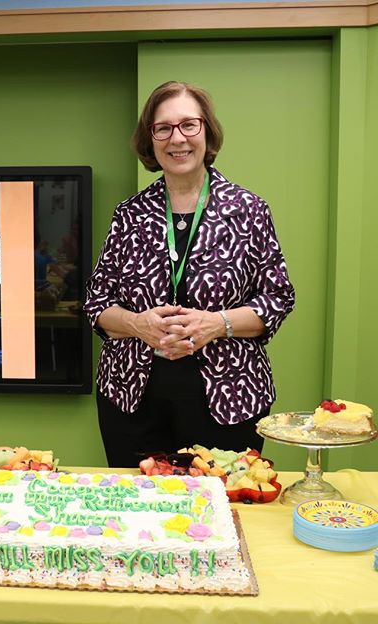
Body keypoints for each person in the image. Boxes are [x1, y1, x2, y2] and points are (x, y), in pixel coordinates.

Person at [84, 81, 295, 467]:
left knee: (220, 514)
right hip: (132, 402)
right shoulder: (128, 215)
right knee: (141, 517)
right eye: (162, 128)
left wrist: (217, 323)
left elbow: (278, 298)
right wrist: (137, 324)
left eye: (188, 125)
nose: (176, 138)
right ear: (150, 139)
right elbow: (96, 304)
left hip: (229, 400)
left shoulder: (249, 210)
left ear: (206, 131)